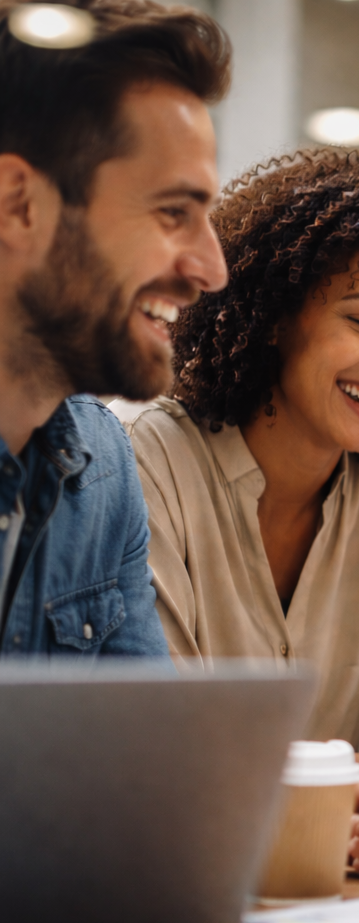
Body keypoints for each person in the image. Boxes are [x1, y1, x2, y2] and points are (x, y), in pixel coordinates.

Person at [116, 149, 359, 874]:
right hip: (174, 880)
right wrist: (357, 775)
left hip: (333, 892)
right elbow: (163, 756)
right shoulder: (141, 461)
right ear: (273, 316)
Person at [0, 0, 229, 656]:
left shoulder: (102, 465)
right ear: (20, 205)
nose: (212, 269)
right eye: (172, 211)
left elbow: (142, 755)